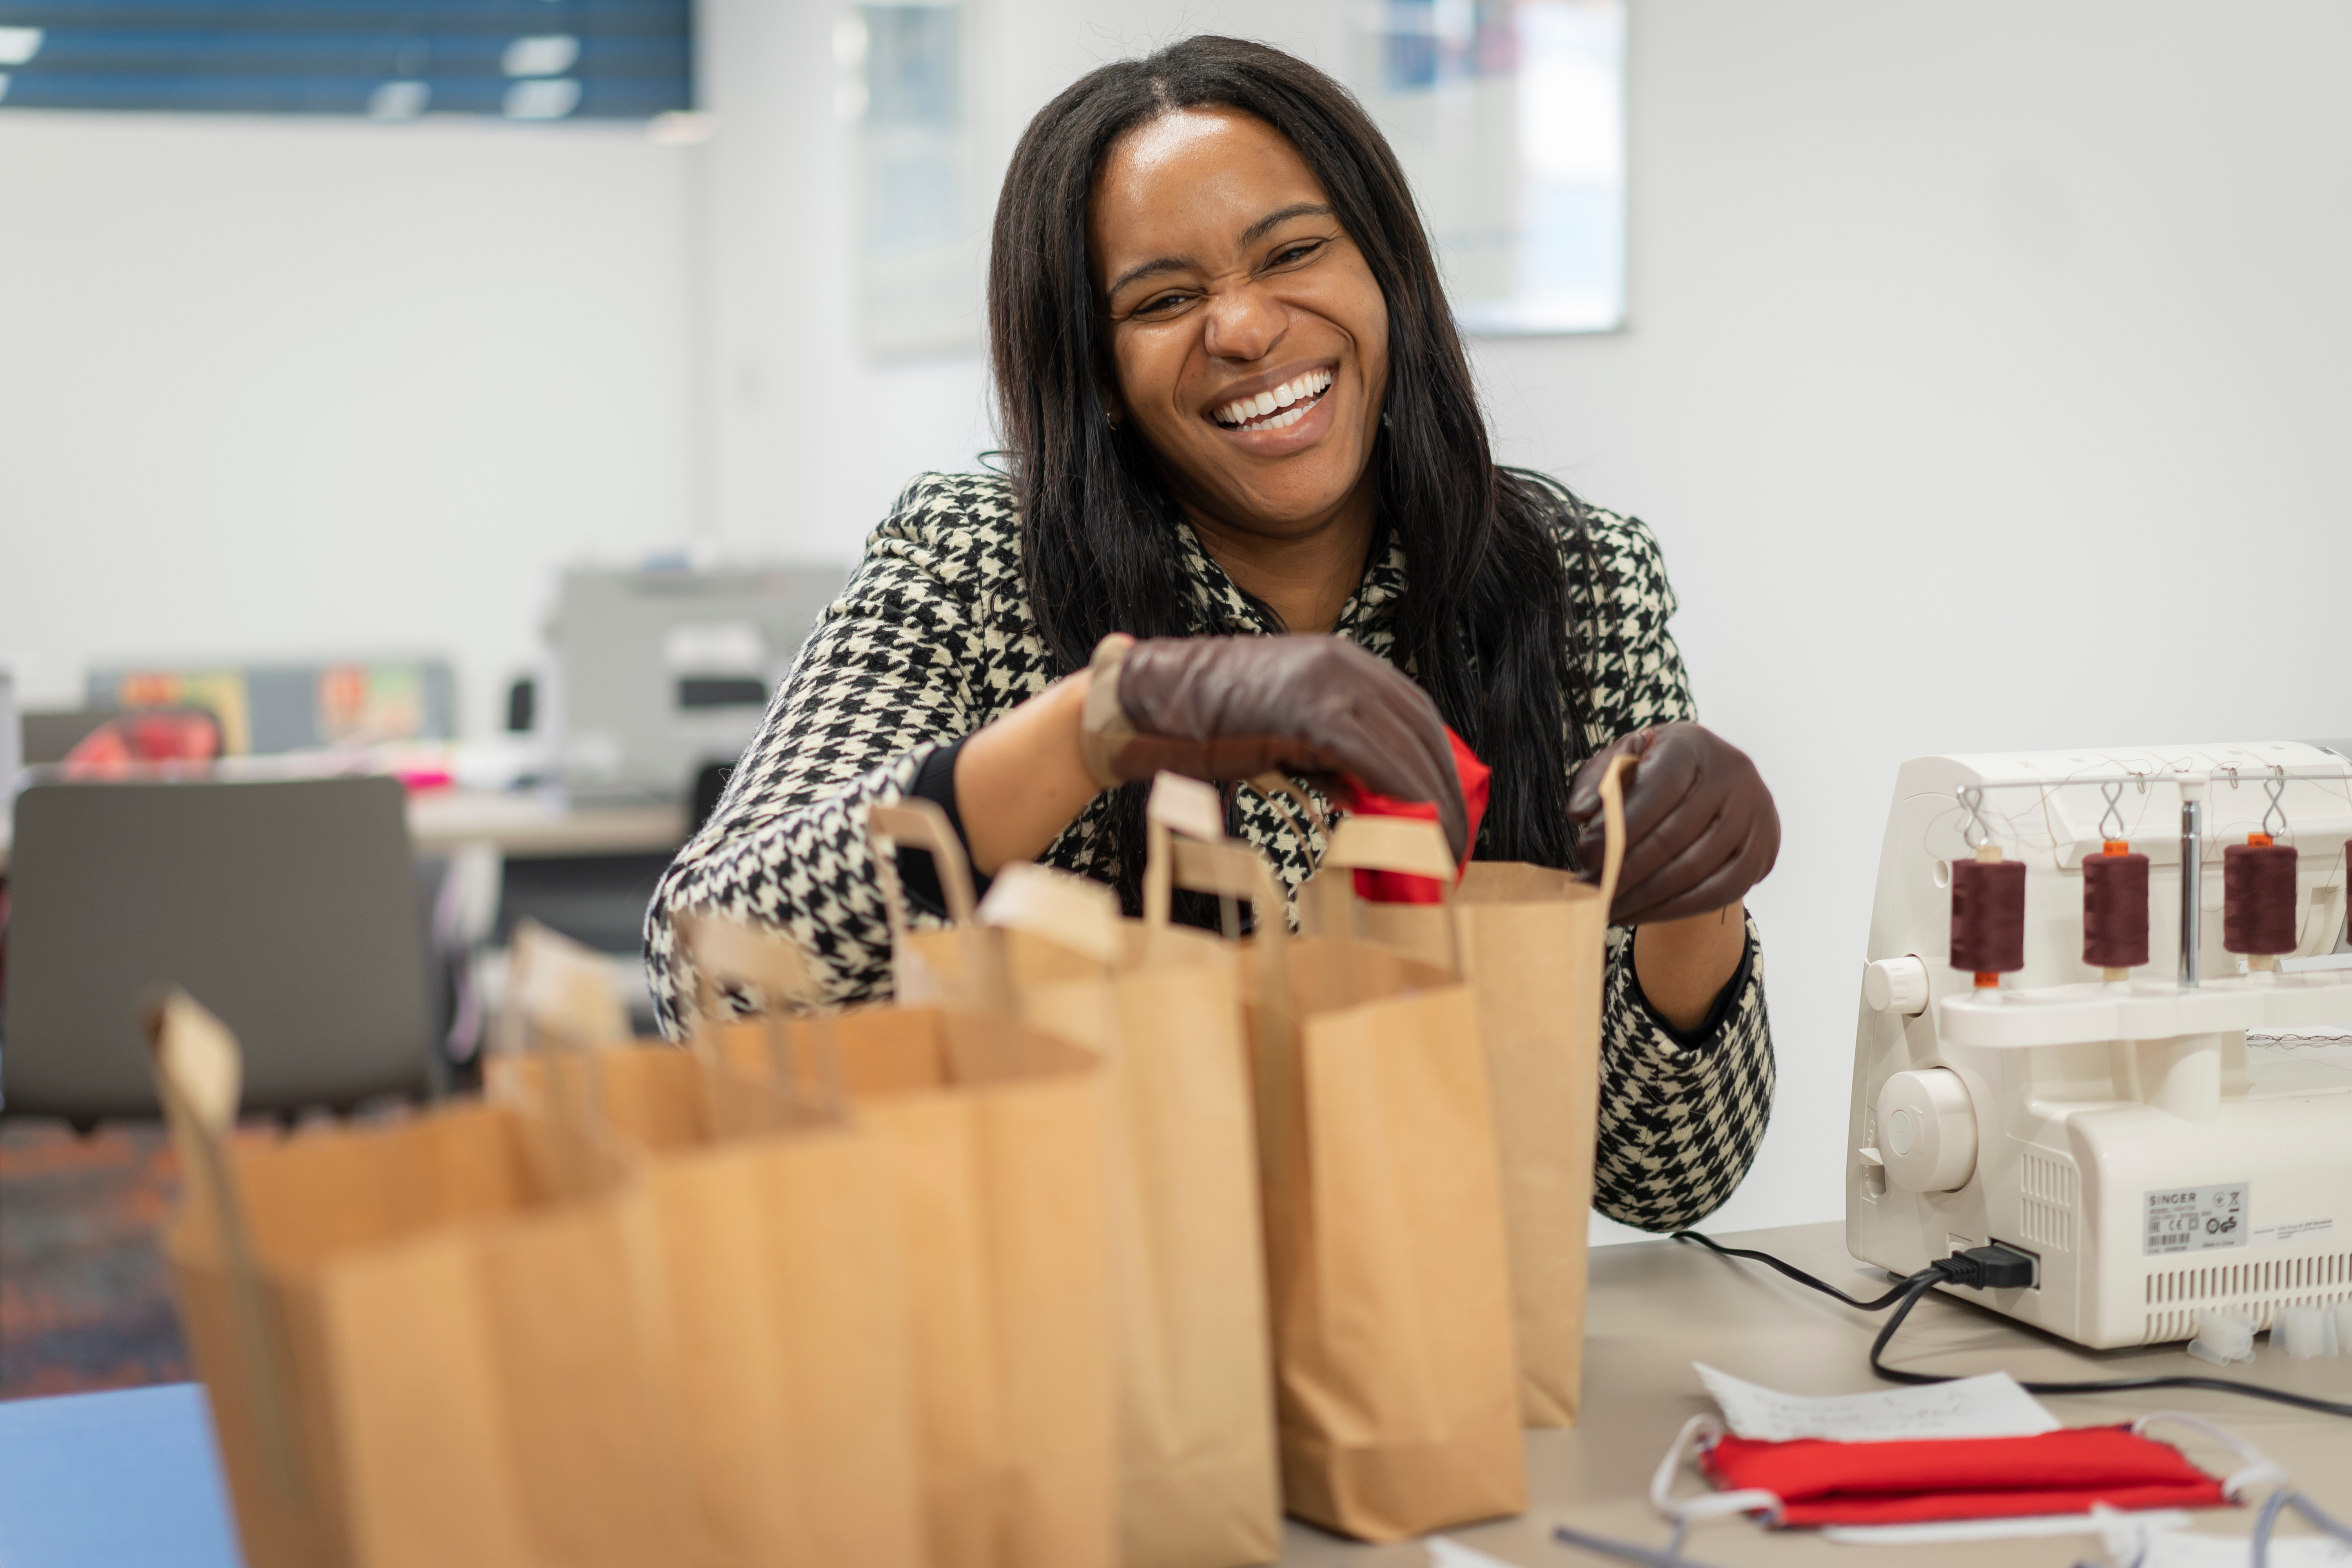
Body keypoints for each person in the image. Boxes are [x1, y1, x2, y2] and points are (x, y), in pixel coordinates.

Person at [648, 36, 1780, 1231]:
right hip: (1071, 1366)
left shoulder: (1575, 580)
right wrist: (1110, 720)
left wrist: (1696, 894)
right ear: (1096, 368)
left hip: (1435, 1360)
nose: (1243, 328)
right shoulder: (979, 561)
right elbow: (717, 977)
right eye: (1164, 300)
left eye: (1293, 253)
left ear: (1387, 274)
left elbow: (1668, 1183)